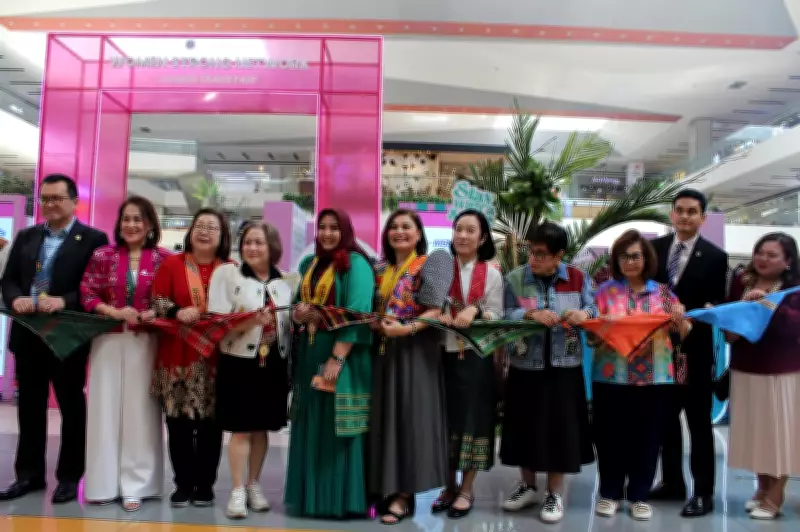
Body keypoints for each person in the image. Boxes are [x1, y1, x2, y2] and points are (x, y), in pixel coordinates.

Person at [0, 174, 108, 503]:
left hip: (67, 335)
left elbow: (98, 287)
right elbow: (9, 280)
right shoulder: (27, 236)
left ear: (74, 202)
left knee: (71, 406)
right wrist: (16, 297)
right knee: (29, 407)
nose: (50, 204)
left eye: (57, 198)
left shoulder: (93, 239)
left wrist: (65, 301)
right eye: (45, 198)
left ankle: (70, 477)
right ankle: (29, 475)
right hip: (29, 332)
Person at [500, 221, 596, 524]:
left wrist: (583, 314)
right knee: (523, 427)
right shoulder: (515, 279)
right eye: (531, 251)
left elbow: (594, 309)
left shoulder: (579, 278)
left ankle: (555, 493)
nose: (534, 259)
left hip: (564, 367)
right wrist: (530, 314)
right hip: (525, 366)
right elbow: (504, 314)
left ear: (559, 255)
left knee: (560, 431)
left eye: (541, 254)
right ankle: (527, 485)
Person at [591, 230, 691, 521]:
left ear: (646, 259)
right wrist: (604, 325)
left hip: (655, 378)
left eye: (635, 256)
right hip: (611, 377)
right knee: (609, 437)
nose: (630, 261)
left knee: (648, 438)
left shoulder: (663, 294)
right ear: (616, 260)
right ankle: (609, 493)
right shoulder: (603, 292)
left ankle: (639, 496)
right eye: (623, 256)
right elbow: (592, 338)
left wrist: (680, 318)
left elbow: (683, 332)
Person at [80, 196, 171, 511]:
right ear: (119, 224)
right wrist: (113, 312)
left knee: (140, 412)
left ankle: (138, 485)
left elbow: (170, 299)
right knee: (103, 411)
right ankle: (101, 483)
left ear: (150, 224)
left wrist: (153, 312)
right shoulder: (102, 255)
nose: (131, 225)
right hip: (106, 339)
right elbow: (87, 292)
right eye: (126, 219)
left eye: (138, 219)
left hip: (146, 343)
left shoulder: (163, 259)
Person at [286, 208, 375, 518]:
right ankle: (310, 498)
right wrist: (299, 314)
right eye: (322, 227)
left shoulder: (356, 264)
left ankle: (337, 501)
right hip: (310, 354)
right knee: (312, 421)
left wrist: (336, 358)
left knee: (336, 427)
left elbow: (357, 314)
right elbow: (297, 304)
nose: (326, 233)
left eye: (334, 227)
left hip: (341, 357)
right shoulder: (311, 264)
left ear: (345, 231)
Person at [369, 209, 453, 526]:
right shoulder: (379, 268)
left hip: (416, 352)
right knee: (384, 420)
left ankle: (404, 495)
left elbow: (435, 310)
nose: (399, 231)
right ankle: (385, 487)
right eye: (393, 226)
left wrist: (406, 329)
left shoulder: (432, 262)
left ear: (419, 234)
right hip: (382, 352)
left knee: (409, 420)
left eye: (407, 226)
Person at [650, 189, 728, 517]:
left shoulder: (715, 256)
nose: (684, 216)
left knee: (698, 423)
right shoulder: (654, 250)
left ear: (702, 218)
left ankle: (703, 493)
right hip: (658, 351)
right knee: (665, 420)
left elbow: (717, 301)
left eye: (692, 211)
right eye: (679, 210)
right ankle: (672, 483)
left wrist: (693, 313)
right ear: (672, 214)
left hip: (693, 352)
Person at [207, 222, 293, 519]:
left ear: (272, 247)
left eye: (259, 243)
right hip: (238, 362)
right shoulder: (227, 275)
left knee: (262, 428)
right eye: (247, 242)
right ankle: (236, 489)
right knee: (241, 429)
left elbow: (289, 324)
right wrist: (251, 322)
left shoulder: (285, 282)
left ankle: (254, 483)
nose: (252, 248)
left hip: (273, 363)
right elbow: (216, 323)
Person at [151, 208, 231, 508]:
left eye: (212, 227)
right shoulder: (172, 264)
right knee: (178, 425)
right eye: (200, 226)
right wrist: (176, 311)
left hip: (216, 360)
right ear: (191, 231)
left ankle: (205, 485)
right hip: (177, 356)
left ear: (222, 236)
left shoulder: (231, 269)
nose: (205, 232)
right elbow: (157, 300)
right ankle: (183, 484)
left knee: (211, 426)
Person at [431, 209, 502, 519]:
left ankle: (467, 489)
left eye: (470, 230)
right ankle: (448, 486)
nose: (462, 235)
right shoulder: (439, 270)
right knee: (444, 420)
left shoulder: (492, 274)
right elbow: (426, 306)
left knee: (474, 420)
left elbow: (498, 315)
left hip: (476, 358)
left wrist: (476, 310)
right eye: (458, 229)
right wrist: (439, 314)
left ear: (482, 238)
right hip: (439, 356)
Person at [726, 233, 800, 520]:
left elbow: (794, 326)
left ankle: (776, 494)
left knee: (781, 434)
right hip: (745, 367)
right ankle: (762, 487)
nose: (763, 259)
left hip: (782, 371)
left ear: (788, 261)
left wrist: (768, 304)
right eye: (760, 252)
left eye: (772, 255)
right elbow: (731, 320)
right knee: (756, 432)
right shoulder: (742, 281)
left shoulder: (794, 288)